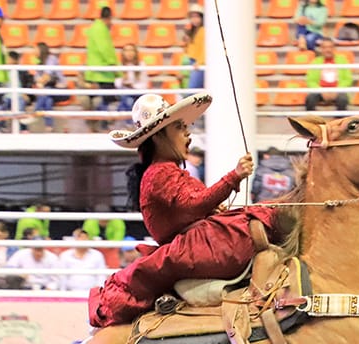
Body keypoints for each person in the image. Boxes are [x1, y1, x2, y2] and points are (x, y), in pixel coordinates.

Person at [90, 92, 280, 327]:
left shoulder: (163, 171)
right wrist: (234, 176)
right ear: (159, 136)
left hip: (194, 244)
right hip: (195, 247)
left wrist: (213, 209)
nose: (187, 133)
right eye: (179, 128)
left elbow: (194, 205)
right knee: (271, 217)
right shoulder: (160, 172)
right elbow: (195, 203)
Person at [84, 6, 120, 121]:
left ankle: (99, 124)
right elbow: (104, 49)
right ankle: (104, 124)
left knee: (101, 100)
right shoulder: (101, 29)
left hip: (96, 71)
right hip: (103, 73)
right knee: (108, 101)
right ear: (109, 17)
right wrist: (113, 64)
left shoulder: (95, 28)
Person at [305, 38, 353, 112]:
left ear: (334, 48)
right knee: (310, 99)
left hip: (338, 90)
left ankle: (339, 122)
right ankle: (312, 121)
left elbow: (348, 79)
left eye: (330, 47)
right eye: (325, 47)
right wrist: (321, 91)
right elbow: (310, 81)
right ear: (321, 49)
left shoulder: (342, 60)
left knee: (343, 99)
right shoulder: (316, 62)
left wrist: (336, 90)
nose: (328, 50)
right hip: (320, 91)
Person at [29, 42, 67, 133]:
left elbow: (47, 76)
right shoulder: (38, 62)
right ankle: (49, 127)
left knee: (46, 93)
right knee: (47, 100)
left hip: (60, 89)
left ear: (41, 50)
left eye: (35, 49)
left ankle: (35, 113)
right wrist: (39, 84)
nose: (33, 52)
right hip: (47, 91)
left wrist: (40, 83)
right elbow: (37, 78)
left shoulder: (51, 59)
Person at [116, 44, 149, 119]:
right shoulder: (120, 65)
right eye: (126, 51)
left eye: (131, 50)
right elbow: (116, 83)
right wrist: (123, 80)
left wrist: (133, 86)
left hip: (138, 92)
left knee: (136, 102)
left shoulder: (141, 65)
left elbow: (144, 83)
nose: (129, 53)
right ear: (123, 53)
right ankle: (129, 124)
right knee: (128, 101)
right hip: (124, 92)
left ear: (135, 52)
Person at [182, 4, 205, 90]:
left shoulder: (204, 30)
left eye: (197, 17)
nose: (194, 19)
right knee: (189, 88)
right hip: (191, 61)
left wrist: (200, 61)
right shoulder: (192, 31)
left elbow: (205, 49)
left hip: (198, 63)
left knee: (193, 88)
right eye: (192, 17)